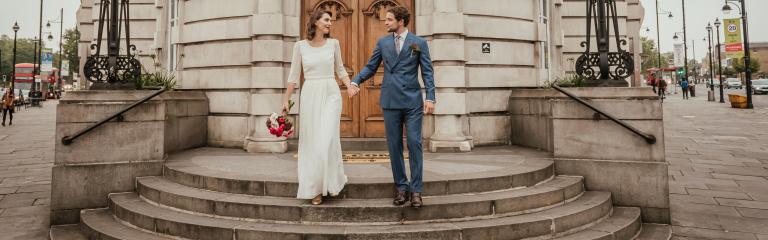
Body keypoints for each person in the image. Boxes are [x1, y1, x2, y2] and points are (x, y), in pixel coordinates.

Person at [349, 6, 436, 208]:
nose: (385, 22)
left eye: (389, 19)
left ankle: (416, 190)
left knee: (414, 143)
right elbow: (371, 66)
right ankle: (401, 188)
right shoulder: (383, 42)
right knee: (394, 146)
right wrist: (356, 81)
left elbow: (427, 72)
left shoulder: (418, 43)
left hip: (413, 101)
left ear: (401, 21)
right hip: (390, 100)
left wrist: (430, 97)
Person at [281, 10, 351, 205]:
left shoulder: (333, 44)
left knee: (328, 138)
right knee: (312, 142)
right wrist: (286, 99)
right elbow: (294, 75)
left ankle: (331, 181)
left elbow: (340, 69)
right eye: (327, 20)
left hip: (331, 92)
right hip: (310, 93)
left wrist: (350, 86)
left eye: (331, 20)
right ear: (316, 22)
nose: (330, 23)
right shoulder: (300, 47)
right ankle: (315, 188)